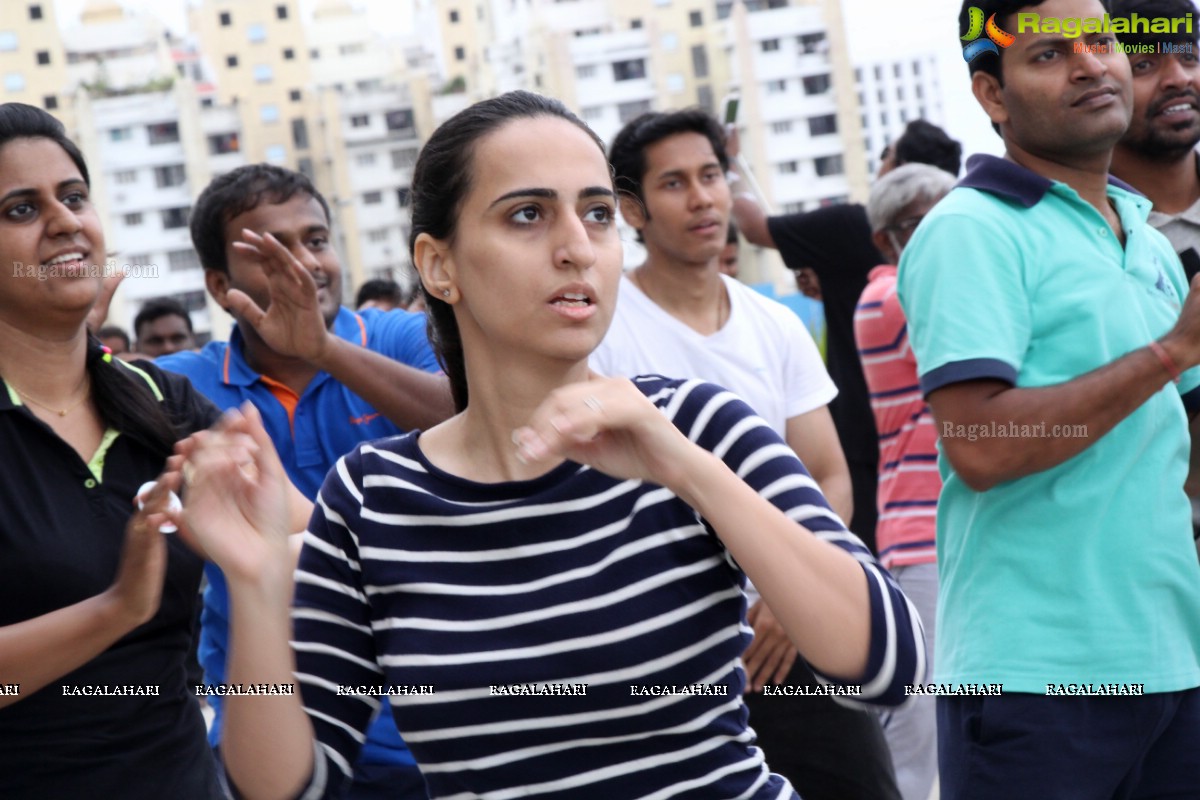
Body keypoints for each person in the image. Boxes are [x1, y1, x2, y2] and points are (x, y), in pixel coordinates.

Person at [175, 89, 923, 800]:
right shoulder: (372, 499)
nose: (576, 247)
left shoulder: (694, 425)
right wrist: (256, 582)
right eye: (528, 214)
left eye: (597, 214)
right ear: (439, 266)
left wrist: (683, 469)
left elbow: (891, 663)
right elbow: (280, 785)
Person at [896, 1, 1200, 796]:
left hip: (1177, 664)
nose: (1091, 65)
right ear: (992, 97)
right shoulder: (970, 230)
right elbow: (982, 446)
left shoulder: (1143, 234)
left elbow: (1185, 456)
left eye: (1100, 42)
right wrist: (1169, 353)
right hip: (1038, 684)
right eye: (1049, 54)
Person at [595, 108, 898, 800]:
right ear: (632, 210)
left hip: (788, 631)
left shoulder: (776, 324)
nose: (703, 198)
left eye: (711, 176)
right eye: (674, 184)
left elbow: (826, 474)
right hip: (666, 647)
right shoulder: (604, 328)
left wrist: (792, 596)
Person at [157, 163, 453, 800]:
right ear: (217, 284)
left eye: (315, 240)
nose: (304, 265)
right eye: (272, 251)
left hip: (434, 725)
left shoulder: (396, 337)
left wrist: (322, 349)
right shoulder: (183, 384)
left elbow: (474, 423)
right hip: (270, 727)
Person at [0, 102, 223, 798]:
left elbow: (303, 536)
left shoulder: (162, 401)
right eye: (20, 209)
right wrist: (119, 606)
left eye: (74, 197)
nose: (65, 222)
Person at [729, 119, 963, 557]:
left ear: (901, 172)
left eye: (885, 156)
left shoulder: (852, 229)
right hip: (935, 444)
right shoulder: (954, 271)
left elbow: (754, 226)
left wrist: (728, 162)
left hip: (864, 434)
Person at [856, 163, 955, 800]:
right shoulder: (891, 295)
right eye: (924, 221)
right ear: (885, 238)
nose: (945, 233)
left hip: (944, 529)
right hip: (920, 536)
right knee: (916, 725)